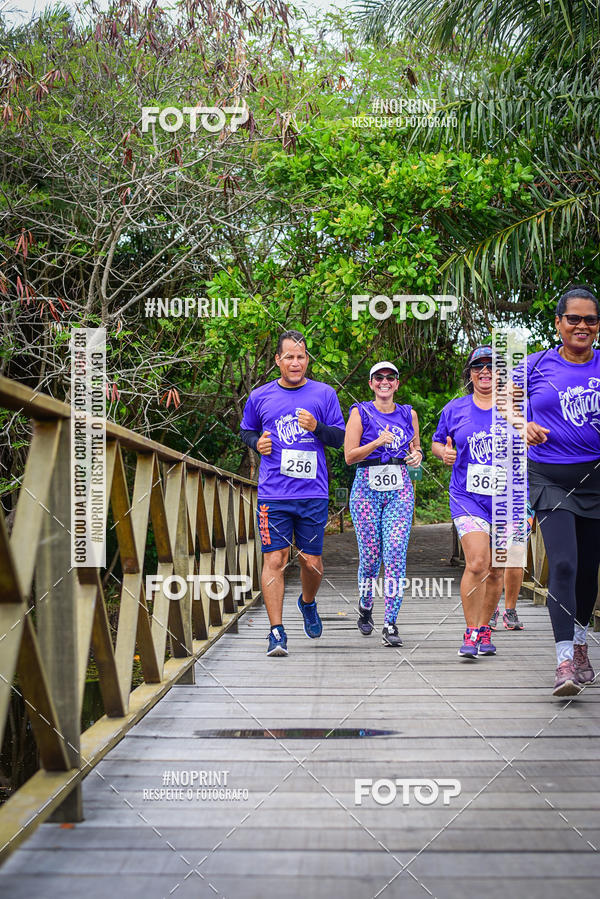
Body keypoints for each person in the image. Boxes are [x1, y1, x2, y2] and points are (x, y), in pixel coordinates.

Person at [512, 286, 600, 696]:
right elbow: (503, 402)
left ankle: (581, 645)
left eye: (591, 320)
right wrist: (522, 424)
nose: (582, 326)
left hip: (596, 479)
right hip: (549, 478)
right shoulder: (534, 365)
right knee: (563, 564)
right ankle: (564, 660)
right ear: (558, 323)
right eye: (574, 319)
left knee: (587, 569)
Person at [240, 330, 345, 656]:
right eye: (289, 357)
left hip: (312, 493)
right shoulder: (260, 396)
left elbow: (339, 438)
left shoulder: (324, 394)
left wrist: (317, 428)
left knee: (311, 562)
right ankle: (276, 631)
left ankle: (307, 602)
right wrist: (256, 443)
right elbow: (246, 430)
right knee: (276, 559)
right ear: (278, 360)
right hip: (274, 493)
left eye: (300, 357)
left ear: (307, 360)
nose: (295, 362)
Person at [432, 345, 527, 659]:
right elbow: (437, 442)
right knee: (477, 563)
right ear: (470, 374)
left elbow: (534, 445)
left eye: (491, 366)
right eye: (478, 366)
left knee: (497, 569)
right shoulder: (455, 408)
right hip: (467, 497)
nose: (485, 371)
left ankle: (485, 627)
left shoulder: (516, 408)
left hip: (507, 499)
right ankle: (471, 631)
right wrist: (443, 453)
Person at [344, 362, 422, 647]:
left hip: (399, 488)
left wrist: (417, 456)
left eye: (390, 377)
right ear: (371, 383)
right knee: (371, 557)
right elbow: (349, 456)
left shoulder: (408, 413)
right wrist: (377, 442)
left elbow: (416, 448)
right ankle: (366, 604)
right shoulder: (360, 412)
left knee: (395, 552)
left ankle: (390, 622)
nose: (385, 381)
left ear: (397, 383)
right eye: (379, 377)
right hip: (367, 487)